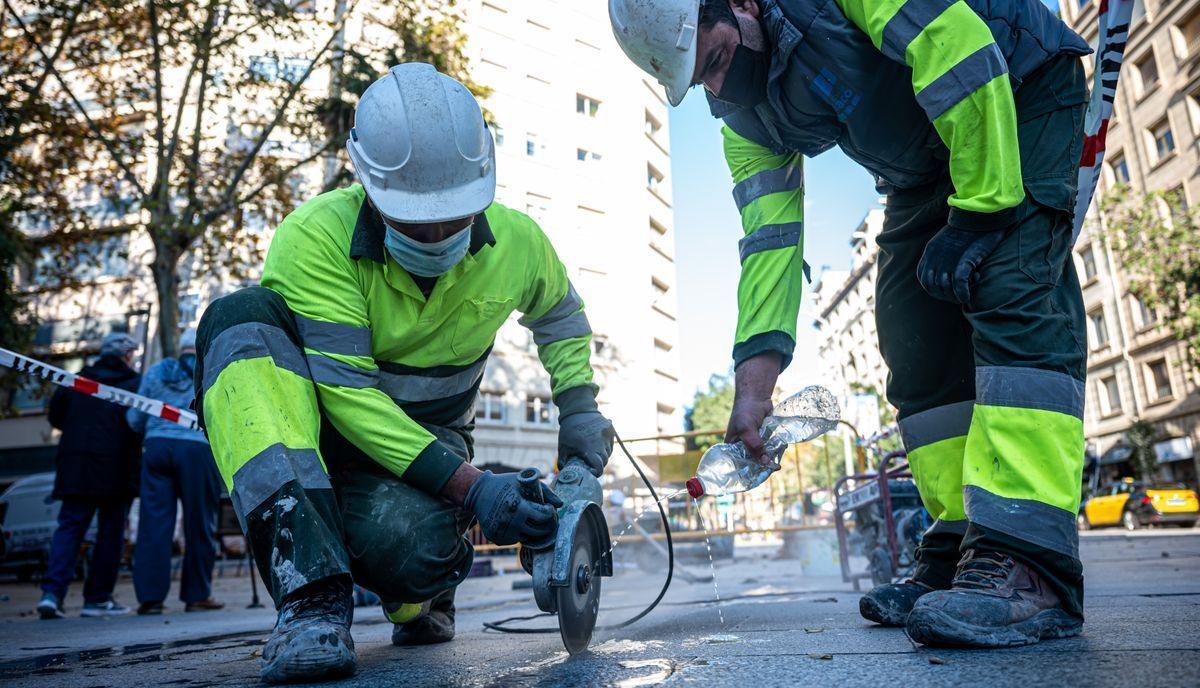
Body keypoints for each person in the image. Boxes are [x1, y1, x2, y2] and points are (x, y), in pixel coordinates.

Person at [611, 0, 1091, 648]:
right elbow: (770, 241)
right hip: (924, 167)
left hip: (1017, 87)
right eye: (701, 80)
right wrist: (753, 392)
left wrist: (981, 215)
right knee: (910, 334)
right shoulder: (742, 118)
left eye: (719, 59)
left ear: (743, 3)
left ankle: (1029, 563)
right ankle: (962, 547)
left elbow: (959, 50)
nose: (720, 87)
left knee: (1009, 289)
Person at [193, 63, 615, 683]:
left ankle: (421, 596)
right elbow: (350, 397)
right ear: (367, 184)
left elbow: (560, 316)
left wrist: (579, 409)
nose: (439, 236)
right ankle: (311, 604)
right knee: (238, 321)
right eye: (417, 222)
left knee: (415, 547)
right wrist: (473, 488)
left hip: (427, 448)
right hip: (315, 444)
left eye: (456, 216)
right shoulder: (316, 239)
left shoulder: (521, 244)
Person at [37, 333, 142, 619]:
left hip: (76, 467)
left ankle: (51, 594)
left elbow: (56, 417)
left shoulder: (76, 381)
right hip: (116, 470)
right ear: (127, 355)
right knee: (110, 535)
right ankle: (96, 599)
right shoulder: (135, 384)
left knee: (69, 529)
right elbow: (138, 424)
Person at [127, 327, 224, 615]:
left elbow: (134, 417)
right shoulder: (211, 370)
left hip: (156, 448)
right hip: (196, 449)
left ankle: (150, 598)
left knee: (154, 523)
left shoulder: (156, 372)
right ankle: (197, 595)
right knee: (199, 522)